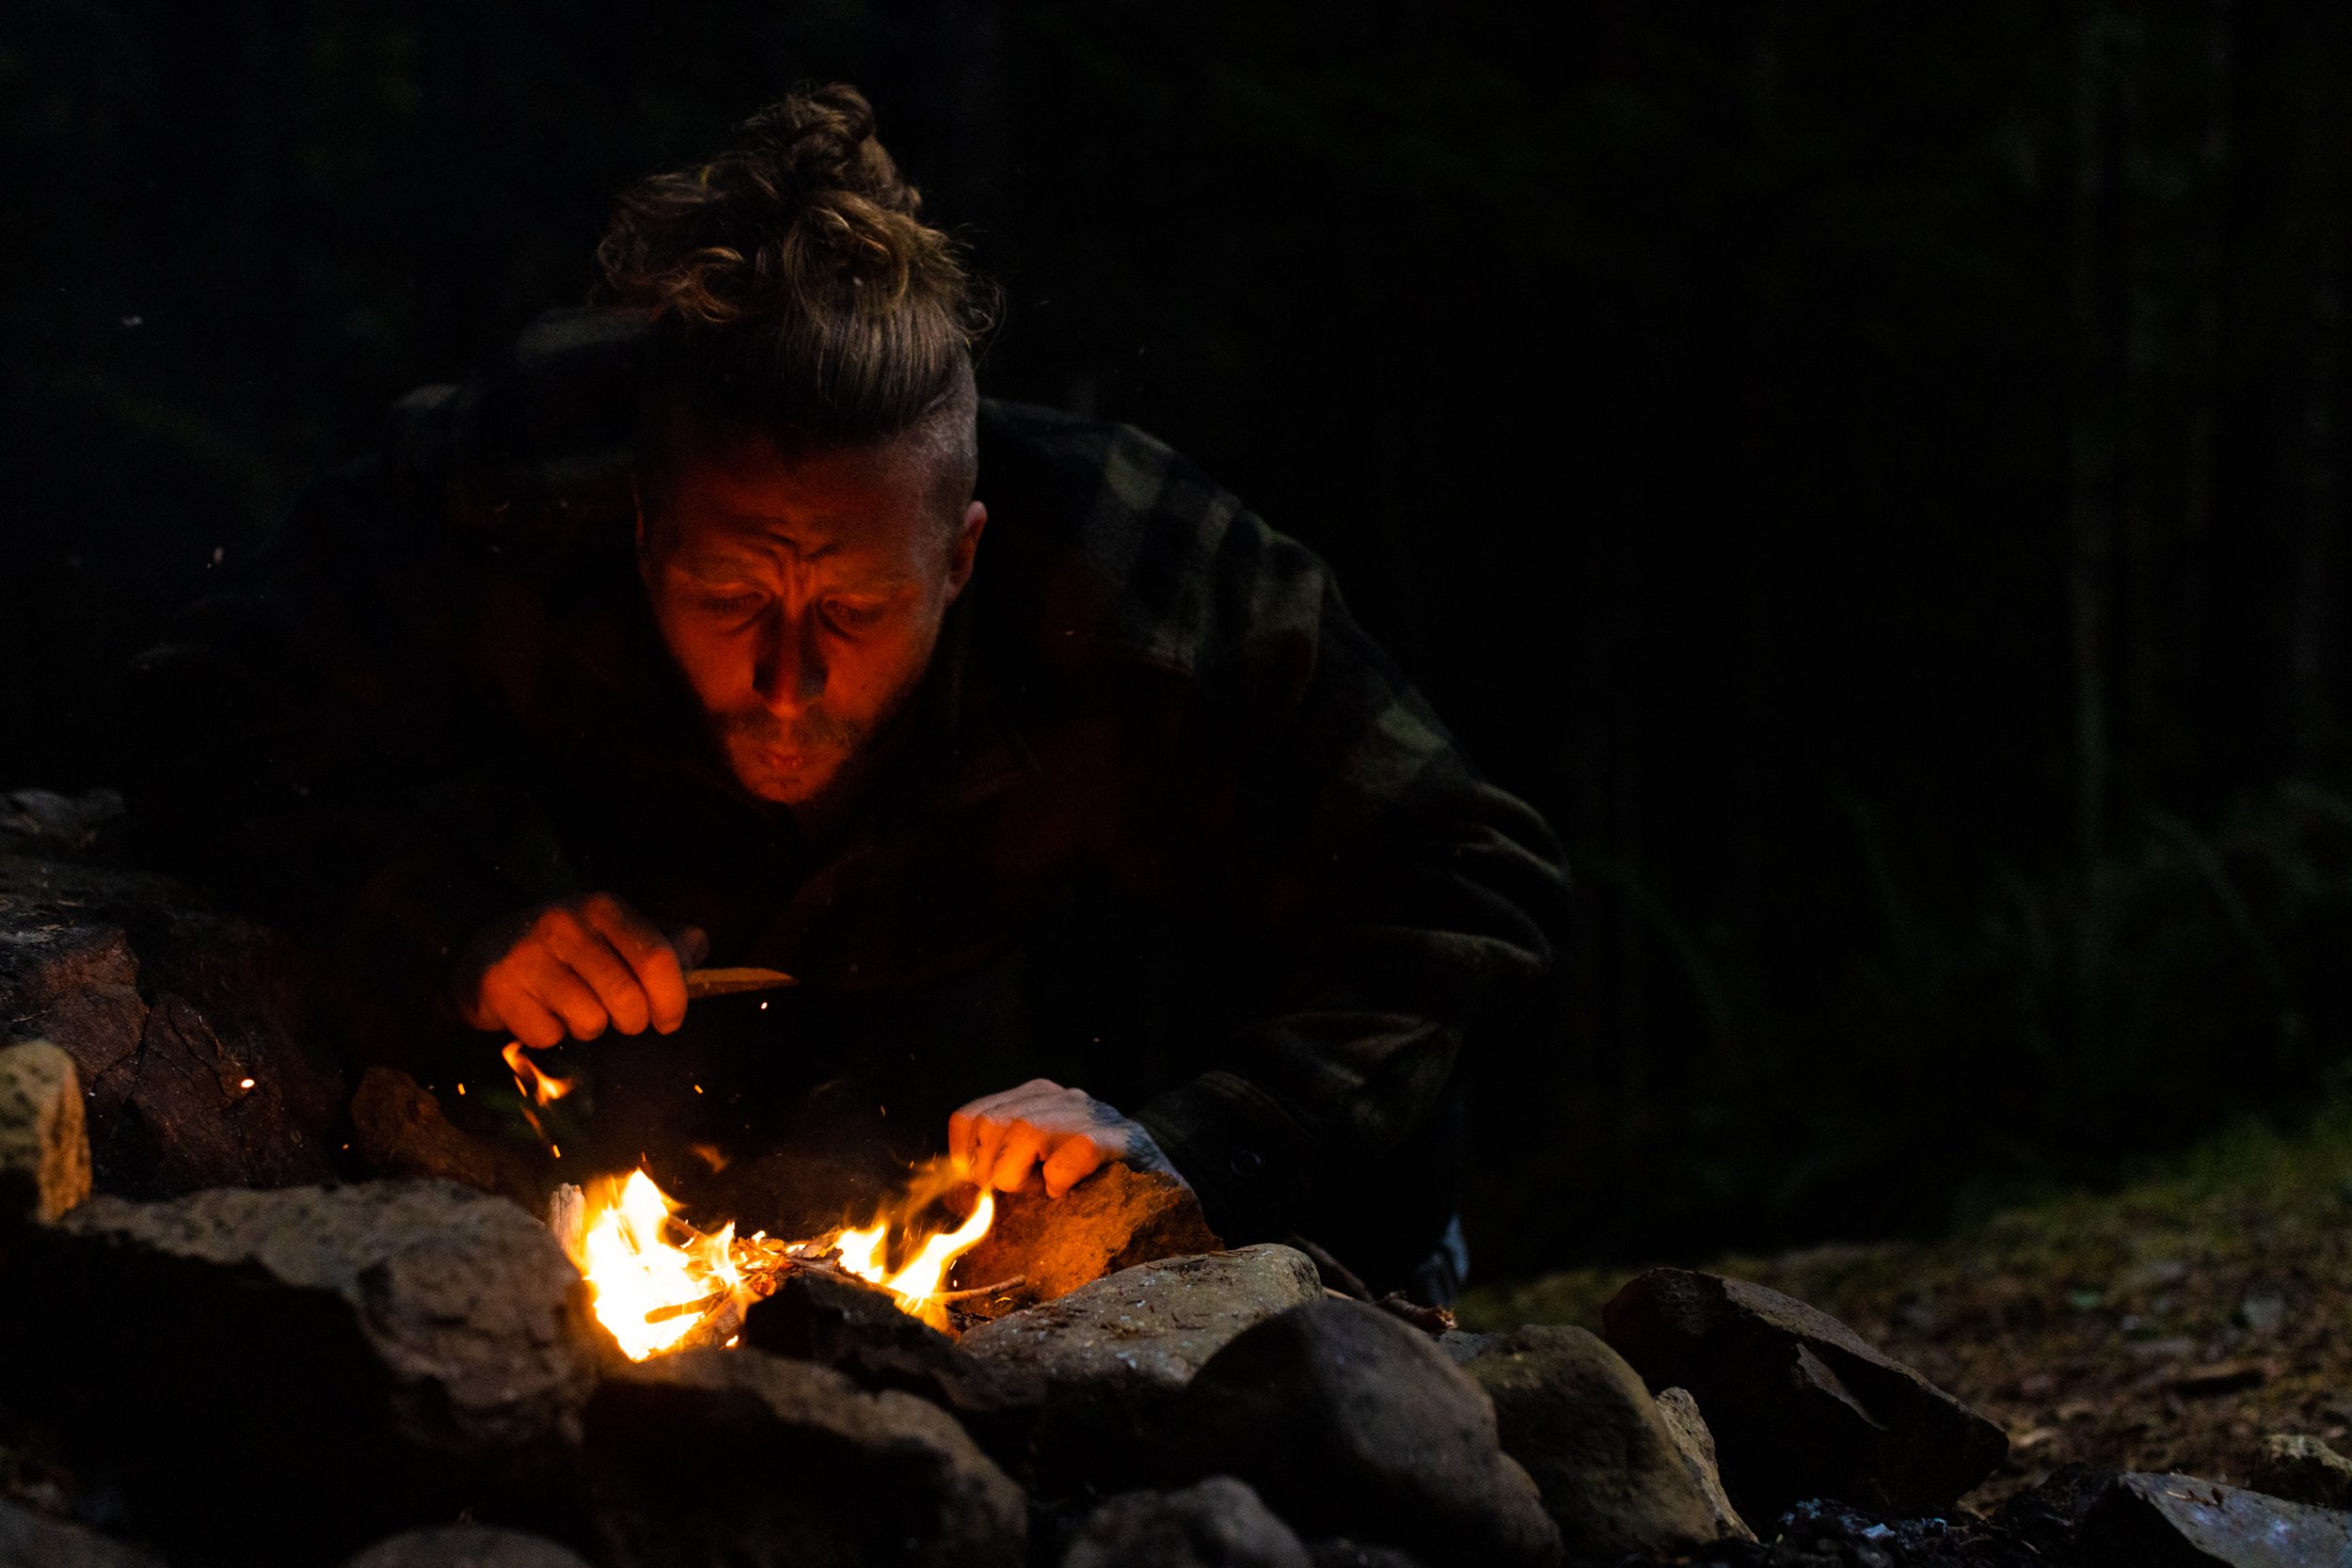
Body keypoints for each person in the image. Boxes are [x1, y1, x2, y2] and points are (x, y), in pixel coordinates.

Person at [130, 86, 1566, 1302]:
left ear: (964, 554)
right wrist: (457, 925)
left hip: (1081, 1035)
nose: (789, 682)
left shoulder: (1134, 574)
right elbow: (194, 709)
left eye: (859, 611)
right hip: (678, 1075)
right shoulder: (513, 483)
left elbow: (1468, 877)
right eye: (730, 598)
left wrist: (1199, 1137)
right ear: (642, 530)